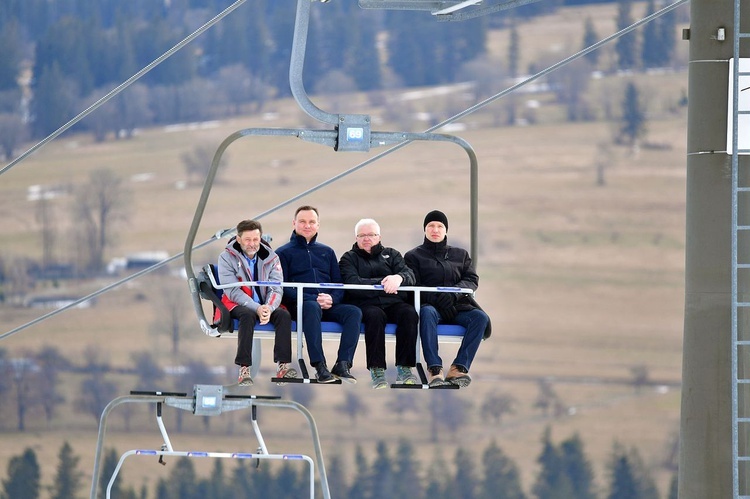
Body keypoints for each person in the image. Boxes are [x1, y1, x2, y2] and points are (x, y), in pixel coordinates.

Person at [404, 210, 491, 388]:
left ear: (446, 230)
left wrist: (453, 294)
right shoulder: (413, 256)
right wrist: (436, 299)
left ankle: (459, 368)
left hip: (458, 305)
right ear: (425, 230)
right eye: (431, 226)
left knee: (480, 318)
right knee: (427, 313)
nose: (435, 230)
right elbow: (413, 285)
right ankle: (434, 369)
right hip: (431, 306)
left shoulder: (461, 255)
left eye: (440, 226)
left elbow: (471, 279)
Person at [276, 205, 362, 384]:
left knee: (354, 312)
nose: (307, 225)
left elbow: (338, 283)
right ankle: (319, 366)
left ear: (318, 225)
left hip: (326, 304)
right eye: (302, 222)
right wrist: (311, 298)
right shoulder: (283, 253)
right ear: (294, 223)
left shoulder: (327, 251)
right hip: (300, 304)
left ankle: (343, 363)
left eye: (311, 222)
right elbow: (281, 287)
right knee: (312, 306)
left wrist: (332, 298)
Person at [339, 218, 419, 389]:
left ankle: (405, 368)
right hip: (366, 304)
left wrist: (398, 278)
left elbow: (409, 275)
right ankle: (377, 370)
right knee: (375, 317)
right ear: (356, 238)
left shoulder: (392, 254)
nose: (367, 238)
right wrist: (384, 284)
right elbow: (353, 283)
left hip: (394, 303)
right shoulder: (348, 258)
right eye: (362, 235)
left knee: (409, 313)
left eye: (371, 235)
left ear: (379, 236)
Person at [217, 219, 298, 386]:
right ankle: (244, 367)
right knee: (247, 316)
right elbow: (232, 290)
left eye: (256, 239)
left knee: (283, 316)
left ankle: (283, 365)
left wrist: (268, 307)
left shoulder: (271, 258)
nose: (252, 244)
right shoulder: (226, 258)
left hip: (264, 302)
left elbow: (276, 287)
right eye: (248, 240)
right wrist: (256, 307)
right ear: (238, 239)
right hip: (238, 303)